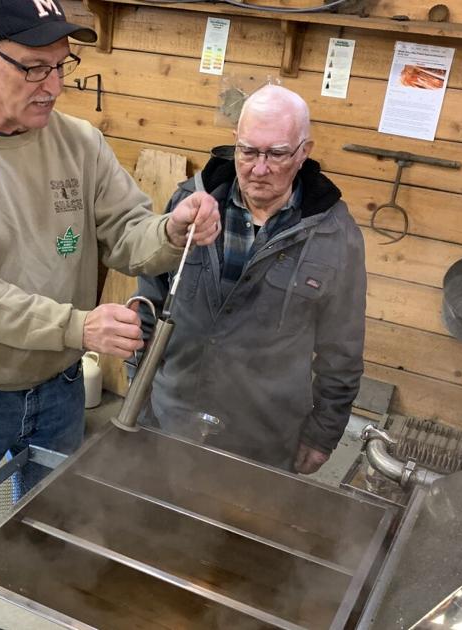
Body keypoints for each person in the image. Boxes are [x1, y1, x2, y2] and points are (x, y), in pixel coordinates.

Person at [0, 0, 221, 538]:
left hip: (59, 388)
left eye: (61, 65)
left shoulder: (80, 143)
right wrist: (77, 326)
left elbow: (127, 233)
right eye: (34, 68)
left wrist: (171, 231)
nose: (53, 86)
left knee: (50, 537)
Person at [135, 85, 366, 474]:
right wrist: (137, 390)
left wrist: (322, 434)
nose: (259, 169)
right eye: (248, 151)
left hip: (263, 440)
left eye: (276, 154)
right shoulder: (191, 204)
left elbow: (343, 349)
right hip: (170, 418)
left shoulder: (335, 235)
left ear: (304, 152)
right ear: (234, 143)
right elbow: (149, 301)